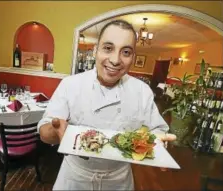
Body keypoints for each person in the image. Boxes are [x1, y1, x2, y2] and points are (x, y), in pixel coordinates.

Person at [38, 19, 176, 190]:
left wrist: (158, 145)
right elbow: (44, 131)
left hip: (118, 180)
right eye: (108, 48)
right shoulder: (70, 84)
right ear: (96, 50)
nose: (115, 60)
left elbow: (158, 130)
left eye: (125, 52)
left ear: (133, 57)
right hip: (74, 177)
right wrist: (55, 130)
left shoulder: (142, 91)